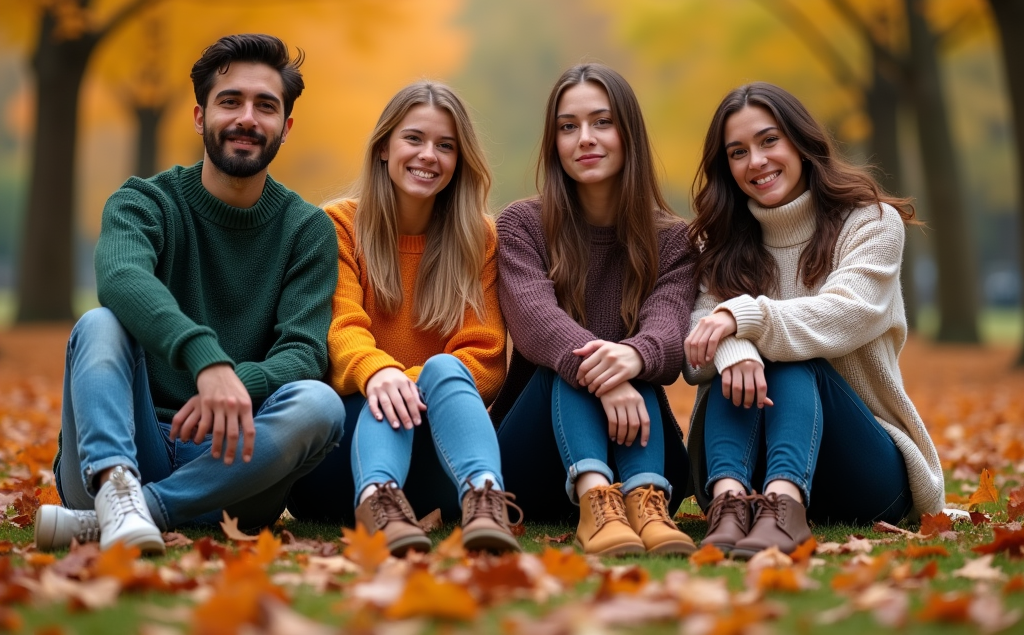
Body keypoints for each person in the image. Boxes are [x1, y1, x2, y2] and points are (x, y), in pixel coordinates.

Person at [35, 34, 344, 553]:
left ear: (285, 128)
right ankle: (115, 488)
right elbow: (122, 281)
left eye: (265, 106)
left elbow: (305, 352)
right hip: (133, 443)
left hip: (235, 466)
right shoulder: (144, 202)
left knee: (321, 404)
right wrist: (207, 362)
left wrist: (233, 383)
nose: (247, 118)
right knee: (98, 324)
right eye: (230, 101)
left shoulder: (307, 229)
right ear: (200, 117)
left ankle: (133, 512)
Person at [683, 82, 944, 558]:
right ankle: (727, 505)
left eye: (769, 140)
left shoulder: (870, 222)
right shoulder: (718, 242)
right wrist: (736, 347)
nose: (756, 161)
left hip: (864, 472)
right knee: (743, 354)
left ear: (800, 141)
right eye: (737, 152)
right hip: (744, 465)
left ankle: (786, 506)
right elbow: (696, 348)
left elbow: (845, 315)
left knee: (792, 356)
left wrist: (741, 319)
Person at [287, 81, 521, 555]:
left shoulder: (478, 239)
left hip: (438, 460)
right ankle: (377, 498)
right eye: (414, 139)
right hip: (341, 468)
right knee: (389, 384)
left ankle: (484, 496)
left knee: (445, 367)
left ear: (459, 162)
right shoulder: (337, 226)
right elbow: (339, 330)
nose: (428, 155)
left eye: (446, 146)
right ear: (383, 148)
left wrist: (405, 383)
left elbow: (485, 354)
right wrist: (380, 375)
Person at [490, 64, 696, 557]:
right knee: (572, 360)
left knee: (636, 354)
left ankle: (646, 502)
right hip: (535, 461)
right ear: (554, 142)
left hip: (642, 447)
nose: (585, 138)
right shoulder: (522, 225)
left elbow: (668, 336)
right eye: (568, 126)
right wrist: (614, 367)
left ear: (629, 133)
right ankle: (594, 503)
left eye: (602, 122)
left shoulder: (673, 240)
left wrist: (635, 358)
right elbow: (536, 322)